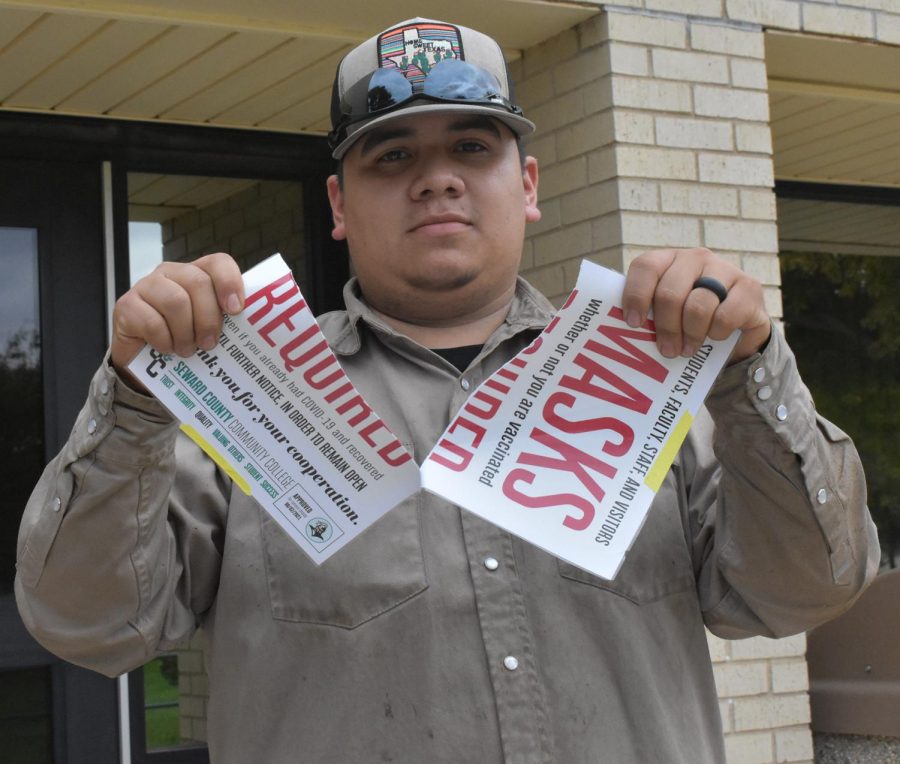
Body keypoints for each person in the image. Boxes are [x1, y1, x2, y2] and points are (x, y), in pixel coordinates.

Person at [16, 17, 878, 764]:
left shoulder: (660, 383)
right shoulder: (244, 399)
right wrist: (132, 398)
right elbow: (95, 624)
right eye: (392, 156)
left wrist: (750, 367)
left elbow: (805, 590)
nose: (437, 178)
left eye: (472, 146)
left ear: (529, 186)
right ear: (338, 205)